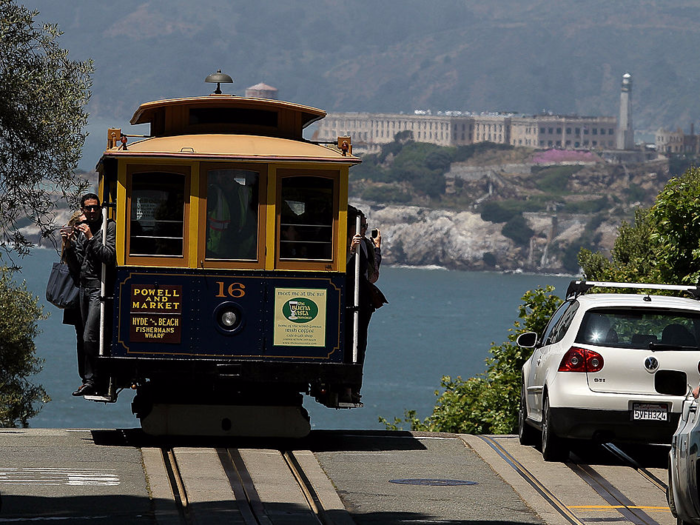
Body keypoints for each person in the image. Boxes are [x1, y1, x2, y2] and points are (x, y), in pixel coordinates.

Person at [62, 193, 116, 396]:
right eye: (88, 208)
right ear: (82, 209)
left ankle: (97, 379)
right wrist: (68, 244)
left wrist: (91, 238)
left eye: (95, 208)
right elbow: (76, 267)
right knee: (82, 337)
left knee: (89, 337)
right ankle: (89, 380)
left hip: (98, 288)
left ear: (100, 208)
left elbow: (109, 256)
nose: (92, 211)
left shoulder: (108, 227)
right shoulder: (81, 228)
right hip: (83, 288)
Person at [59, 211, 87, 384]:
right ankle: (86, 374)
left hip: (78, 295)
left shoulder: (76, 241)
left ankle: (86, 374)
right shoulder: (72, 242)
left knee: (83, 337)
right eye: (81, 223)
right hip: (78, 295)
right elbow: (77, 267)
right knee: (83, 337)